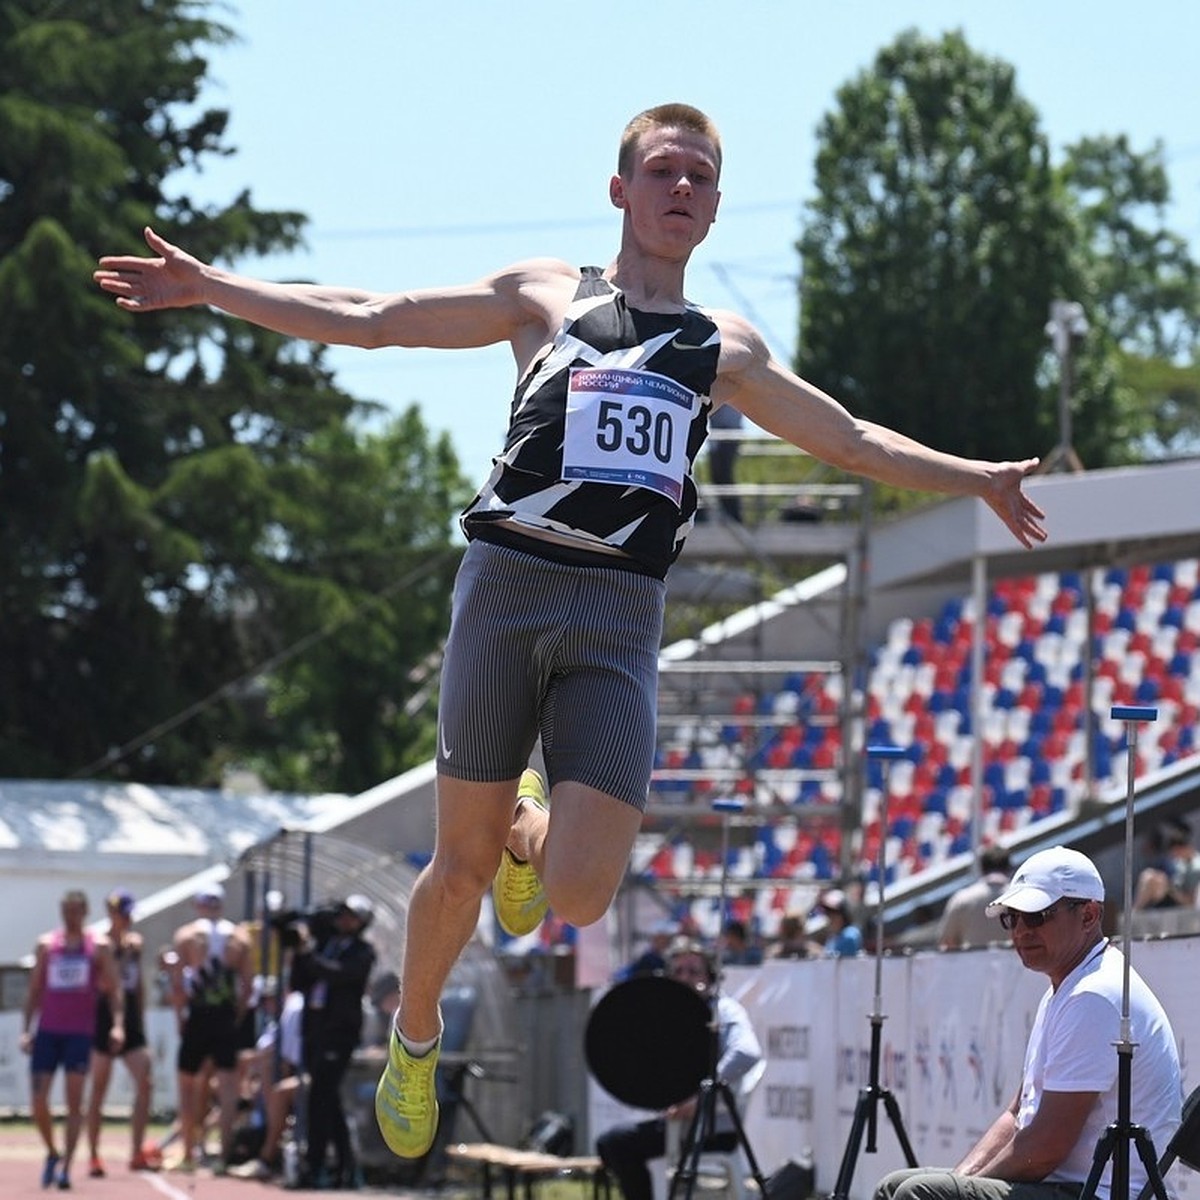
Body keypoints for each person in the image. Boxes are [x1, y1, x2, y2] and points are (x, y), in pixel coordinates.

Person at [93, 101, 1048, 1160]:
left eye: (700, 178)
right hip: (509, 587)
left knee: (584, 897)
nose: (682, 190)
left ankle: (530, 825)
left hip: (620, 616)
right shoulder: (545, 295)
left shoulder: (719, 347)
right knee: (459, 871)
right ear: (621, 190)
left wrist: (983, 480)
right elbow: (372, 313)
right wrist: (213, 288)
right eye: (663, 171)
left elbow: (853, 438)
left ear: (716, 205)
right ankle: (415, 1038)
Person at [873, 846, 1182, 1200]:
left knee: (920, 1193)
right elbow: (1017, 1115)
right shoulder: (1069, 987)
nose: (1021, 931)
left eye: (1037, 916)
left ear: (1088, 915)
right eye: (1013, 918)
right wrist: (963, 1181)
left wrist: (960, 1192)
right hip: (1068, 1185)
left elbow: (1046, 1148)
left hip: (1098, 1192)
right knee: (897, 1187)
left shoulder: (1093, 994)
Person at [596, 938, 763, 1200]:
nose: (685, 978)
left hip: (710, 1128)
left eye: (693, 971)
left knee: (619, 1144)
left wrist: (702, 1096)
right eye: (678, 971)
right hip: (679, 1124)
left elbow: (747, 1052)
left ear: (710, 977)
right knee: (611, 1143)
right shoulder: (670, 1014)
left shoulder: (723, 1009)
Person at [21, 889, 124, 1190]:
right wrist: (27, 1029)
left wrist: (118, 1026)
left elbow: (115, 992)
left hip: (79, 1033)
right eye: (67, 910)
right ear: (61, 911)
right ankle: (52, 1152)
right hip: (48, 1031)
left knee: (74, 1102)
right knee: (38, 1100)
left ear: (85, 912)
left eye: (76, 911)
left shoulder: (99, 947)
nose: (71, 916)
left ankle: (66, 1165)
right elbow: (34, 991)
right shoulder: (46, 946)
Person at [289, 895, 377, 1188]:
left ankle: (314, 1167)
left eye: (351, 916)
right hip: (316, 1028)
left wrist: (310, 955)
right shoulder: (327, 945)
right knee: (328, 1098)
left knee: (320, 1096)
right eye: (342, 915)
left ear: (362, 922)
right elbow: (301, 981)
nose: (343, 921)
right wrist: (301, 950)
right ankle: (345, 1166)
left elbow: (338, 975)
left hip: (339, 1033)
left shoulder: (363, 952)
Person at [168, 883, 254, 1172]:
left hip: (199, 1015)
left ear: (199, 905)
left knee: (187, 1083)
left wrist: (180, 1017)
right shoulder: (239, 937)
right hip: (225, 1017)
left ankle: (188, 1153)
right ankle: (225, 1153)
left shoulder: (187, 935)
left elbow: (178, 984)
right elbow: (248, 986)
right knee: (228, 1084)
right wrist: (236, 1016)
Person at [85, 890, 157, 1176]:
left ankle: (136, 1151)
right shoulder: (98, 944)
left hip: (130, 1019)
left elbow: (137, 984)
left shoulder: (135, 944)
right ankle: (93, 1154)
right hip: (102, 1018)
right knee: (99, 1088)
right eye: (122, 913)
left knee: (146, 1081)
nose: (127, 919)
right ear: (112, 913)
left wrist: (139, 1017)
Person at [228, 980, 306, 1182]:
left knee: (276, 1086)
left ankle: (266, 1157)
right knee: (263, 1076)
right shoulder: (275, 1020)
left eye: (270, 999)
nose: (267, 1005)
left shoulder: (294, 1008)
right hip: (274, 1080)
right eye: (265, 1001)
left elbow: (288, 1060)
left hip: (311, 1075)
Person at [938, 846, 1013, 950]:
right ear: (1008, 867)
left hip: (971, 964)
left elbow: (947, 942)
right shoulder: (1020, 898)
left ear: (982, 868)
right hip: (1012, 964)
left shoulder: (961, 899)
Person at [1133, 819, 1200, 910]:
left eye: (1175, 853)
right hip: (1169, 896)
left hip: (1182, 905)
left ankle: (1134, 913)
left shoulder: (1196, 867)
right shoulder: (1180, 863)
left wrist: (1171, 890)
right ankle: (1134, 913)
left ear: (1179, 849)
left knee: (1151, 879)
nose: (1174, 857)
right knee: (1149, 875)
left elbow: (1191, 901)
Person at [706, 401, 744, 522]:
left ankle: (734, 517)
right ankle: (728, 516)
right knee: (717, 476)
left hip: (729, 433)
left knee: (724, 476)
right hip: (718, 434)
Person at [817, 889, 863, 957]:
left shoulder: (850, 934)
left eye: (833, 913)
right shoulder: (833, 936)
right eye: (827, 912)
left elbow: (842, 963)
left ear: (844, 914)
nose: (829, 917)